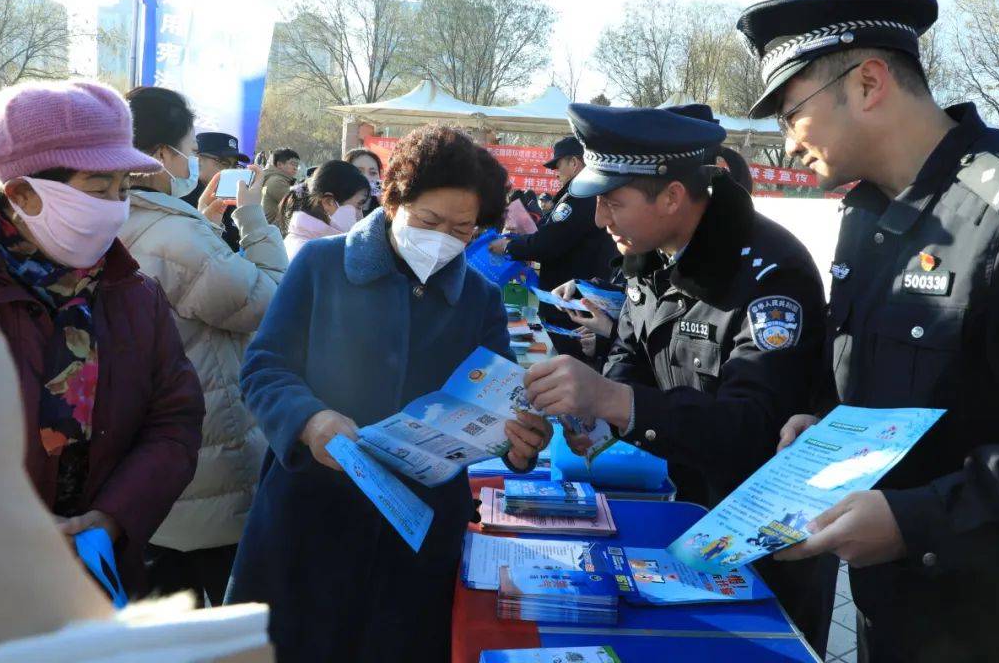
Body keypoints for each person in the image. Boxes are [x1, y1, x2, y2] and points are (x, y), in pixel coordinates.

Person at [736, 0, 999, 662]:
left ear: (867, 83)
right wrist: (824, 432)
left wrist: (910, 522)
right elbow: (880, 389)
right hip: (886, 612)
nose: (788, 141)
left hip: (996, 625)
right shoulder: (864, 215)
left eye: (791, 112)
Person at [227, 125, 553, 661]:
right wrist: (309, 421)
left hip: (417, 529)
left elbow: (497, 404)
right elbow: (265, 367)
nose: (444, 239)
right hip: (310, 516)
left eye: (462, 229)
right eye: (429, 221)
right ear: (395, 197)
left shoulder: (479, 299)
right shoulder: (321, 265)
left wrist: (519, 440)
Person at [521, 102, 837, 654]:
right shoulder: (651, 253)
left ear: (671, 196)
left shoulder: (769, 272)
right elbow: (633, 349)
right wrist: (592, 419)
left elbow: (751, 428)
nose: (600, 220)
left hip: (764, 541)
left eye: (614, 202)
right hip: (687, 518)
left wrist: (615, 400)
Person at [0, 80, 204, 597]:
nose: (116, 207)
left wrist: (114, 516)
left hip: (98, 581)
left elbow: (174, 422)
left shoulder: (136, 296)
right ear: (22, 193)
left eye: (124, 188)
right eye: (97, 189)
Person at [121, 85, 287, 607]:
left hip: (143, 467)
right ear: (158, 156)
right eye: (188, 151)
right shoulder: (176, 237)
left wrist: (208, 223)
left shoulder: (121, 218)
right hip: (203, 473)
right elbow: (272, 302)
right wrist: (254, 216)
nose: (191, 162)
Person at [489, 136, 619, 358]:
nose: (555, 173)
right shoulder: (581, 195)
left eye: (558, 166)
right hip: (574, 298)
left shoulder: (580, 196)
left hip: (572, 303)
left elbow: (549, 243)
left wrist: (509, 246)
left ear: (575, 163)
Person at [278, 159, 371, 259]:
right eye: (359, 205)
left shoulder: (313, 244)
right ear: (329, 202)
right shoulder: (314, 254)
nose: (361, 217)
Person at [192, 132, 252, 252]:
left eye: (235, 165)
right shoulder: (183, 199)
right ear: (197, 160)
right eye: (223, 163)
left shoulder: (232, 199)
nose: (230, 171)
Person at [260, 147, 300, 225]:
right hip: (273, 231)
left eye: (297, 165)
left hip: (270, 228)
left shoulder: (277, 178)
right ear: (279, 164)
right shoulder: (277, 181)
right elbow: (296, 204)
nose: (295, 168)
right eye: (292, 164)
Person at [344, 147, 384, 215]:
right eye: (359, 172)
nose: (366, 178)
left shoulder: (389, 212)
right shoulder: (333, 209)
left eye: (373, 173)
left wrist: (386, 205)